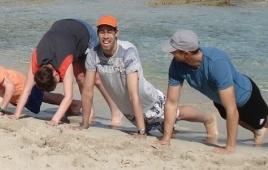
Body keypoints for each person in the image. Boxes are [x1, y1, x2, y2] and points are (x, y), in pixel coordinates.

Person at [159, 30, 268, 154]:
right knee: (237, 119)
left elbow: (231, 108)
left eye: (173, 51)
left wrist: (229, 147)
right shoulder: (177, 65)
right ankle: (257, 131)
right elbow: (171, 102)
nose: (170, 53)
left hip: (246, 96)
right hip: (219, 98)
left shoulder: (217, 62)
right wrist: (166, 139)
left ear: (186, 53)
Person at [80, 16, 218, 140]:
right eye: (102, 32)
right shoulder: (93, 54)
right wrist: (84, 125)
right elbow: (87, 91)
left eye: (109, 32)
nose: (105, 36)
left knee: (177, 113)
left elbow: (134, 94)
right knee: (169, 132)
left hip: (149, 101)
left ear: (117, 33)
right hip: (130, 110)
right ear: (97, 34)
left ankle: (208, 119)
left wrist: (141, 131)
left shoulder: (127, 51)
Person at [10, 19, 122, 126]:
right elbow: (27, 90)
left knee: (96, 79)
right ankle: (90, 111)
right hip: (65, 37)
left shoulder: (64, 62)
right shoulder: (36, 59)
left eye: (58, 80)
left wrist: (55, 119)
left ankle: (115, 111)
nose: (61, 81)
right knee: (80, 78)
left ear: (55, 74)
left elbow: (68, 97)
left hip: (84, 32)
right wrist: (16, 115)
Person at [0, 35, 80, 116]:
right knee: (46, 97)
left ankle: (75, 103)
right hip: (11, 96)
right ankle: (72, 107)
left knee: (46, 97)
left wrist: (0, 110)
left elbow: (10, 87)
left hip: (18, 86)